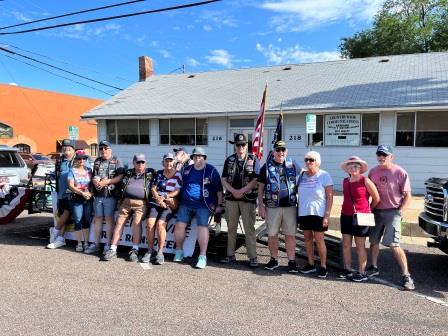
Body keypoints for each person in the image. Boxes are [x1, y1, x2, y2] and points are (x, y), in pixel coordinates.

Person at [367, 145, 415, 290]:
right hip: (376, 211)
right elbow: (368, 191)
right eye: (379, 154)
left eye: (385, 155)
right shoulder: (373, 171)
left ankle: (406, 275)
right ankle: (373, 267)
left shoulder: (400, 172)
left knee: (394, 244)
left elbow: (407, 196)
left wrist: (399, 211)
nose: (381, 157)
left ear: (391, 157)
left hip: (392, 212)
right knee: (374, 241)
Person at [173, 147, 223, 269]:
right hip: (186, 203)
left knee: (202, 227)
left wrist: (219, 205)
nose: (197, 159)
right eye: (195, 157)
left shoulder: (211, 170)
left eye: (200, 156)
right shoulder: (187, 169)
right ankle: (179, 250)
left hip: (203, 205)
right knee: (179, 225)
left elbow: (219, 190)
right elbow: (179, 184)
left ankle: (202, 256)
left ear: (204, 158)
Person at [257, 140, 301, 273]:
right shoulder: (266, 166)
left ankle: (291, 261)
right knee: (272, 234)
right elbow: (260, 189)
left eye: (283, 150)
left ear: (286, 151)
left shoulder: (293, 164)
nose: (280, 152)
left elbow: (305, 177)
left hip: (290, 206)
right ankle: (274, 259)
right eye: (278, 150)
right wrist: (261, 206)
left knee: (290, 235)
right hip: (272, 207)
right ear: (274, 151)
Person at [103, 154, 154, 262]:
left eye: (142, 162)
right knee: (119, 222)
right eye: (138, 162)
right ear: (133, 163)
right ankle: (113, 249)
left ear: (145, 163)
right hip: (125, 202)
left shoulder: (150, 173)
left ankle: (135, 250)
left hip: (141, 203)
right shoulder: (128, 172)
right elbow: (118, 176)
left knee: (136, 223)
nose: (140, 164)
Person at [221, 133, 260, 267]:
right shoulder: (229, 159)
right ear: (235, 146)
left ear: (246, 145)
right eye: (238, 145)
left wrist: (242, 191)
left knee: (249, 228)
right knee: (231, 228)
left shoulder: (254, 159)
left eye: (243, 145)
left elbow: (256, 180)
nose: (240, 147)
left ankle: (253, 256)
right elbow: (223, 179)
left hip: (248, 199)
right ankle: (230, 254)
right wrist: (233, 191)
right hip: (231, 198)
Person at [338, 156, 380, 282]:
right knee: (346, 244)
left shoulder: (365, 180)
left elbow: (376, 198)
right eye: (350, 166)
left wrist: (368, 209)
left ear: (360, 168)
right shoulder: (345, 181)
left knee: (360, 246)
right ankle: (347, 269)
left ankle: (362, 272)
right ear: (347, 169)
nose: (353, 168)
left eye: (356, 166)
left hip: (361, 217)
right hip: (346, 215)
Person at [297, 151, 333, 279]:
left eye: (311, 160)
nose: (308, 162)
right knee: (307, 239)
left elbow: (329, 197)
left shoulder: (324, 175)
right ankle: (311, 264)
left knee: (319, 239)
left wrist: (327, 215)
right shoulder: (301, 175)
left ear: (317, 161)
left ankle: (323, 266)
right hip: (304, 212)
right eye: (306, 160)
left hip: (318, 213)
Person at [85, 140, 125, 254]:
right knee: (97, 218)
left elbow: (121, 176)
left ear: (110, 149)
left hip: (111, 195)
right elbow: (94, 175)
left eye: (106, 148)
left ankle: (107, 244)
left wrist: (107, 182)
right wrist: (94, 180)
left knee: (108, 219)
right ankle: (96, 244)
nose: (103, 151)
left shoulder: (116, 160)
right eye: (101, 148)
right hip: (98, 195)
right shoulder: (97, 161)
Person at [142, 153, 182, 265]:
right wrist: (158, 199)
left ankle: (160, 252)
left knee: (160, 224)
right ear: (163, 162)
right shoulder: (159, 173)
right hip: (156, 202)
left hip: (168, 203)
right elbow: (153, 188)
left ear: (174, 162)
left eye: (170, 161)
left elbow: (177, 191)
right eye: (166, 161)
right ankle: (150, 251)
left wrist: (165, 197)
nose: (168, 163)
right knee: (150, 223)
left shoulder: (178, 174)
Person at [47, 139, 76, 249]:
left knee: (67, 213)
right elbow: (56, 175)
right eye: (64, 148)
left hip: (74, 193)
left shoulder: (79, 160)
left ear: (73, 150)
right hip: (61, 194)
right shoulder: (59, 162)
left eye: (69, 148)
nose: (66, 150)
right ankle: (60, 239)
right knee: (65, 216)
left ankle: (55, 230)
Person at [67, 150, 93, 252]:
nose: (81, 160)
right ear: (76, 159)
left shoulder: (89, 170)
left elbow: (92, 186)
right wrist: (82, 193)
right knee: (78, 221)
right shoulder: (72, 170)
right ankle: (78, 243)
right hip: (76, 199)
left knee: (86, 221)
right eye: (79, 158)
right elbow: (71, 186)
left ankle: (86, 242)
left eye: (84, 158)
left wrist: (91, 193)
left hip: (87, 199)